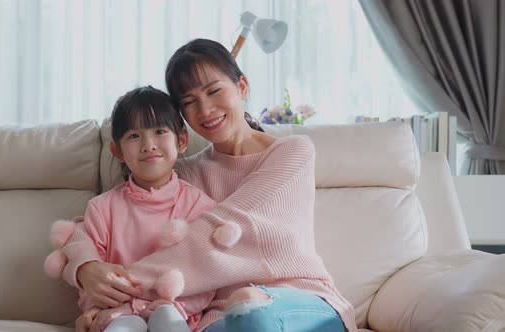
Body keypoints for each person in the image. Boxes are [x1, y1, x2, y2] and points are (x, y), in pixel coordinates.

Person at [63, 39, 358, 332]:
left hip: (300, 301)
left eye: (214, 91)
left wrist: (117, 292)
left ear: (241, 87)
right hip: (215, 318)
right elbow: (92, 220)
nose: (204, 110)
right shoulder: (186, 172)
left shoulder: (291, 153)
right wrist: (86, 268)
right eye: (189, 102)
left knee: (249, 306)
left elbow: (210, 239)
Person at [62, 85, 217, 332]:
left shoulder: (200, 206)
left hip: (175, 311)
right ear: (117, 151)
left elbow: (206, 280)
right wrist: (99, 309)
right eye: (134, 136)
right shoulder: (102, 208)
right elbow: (91, 285)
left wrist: (140, 307)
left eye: (159, 131)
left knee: (167, 318)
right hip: (117, 316)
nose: (148, 145)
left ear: (182, 140)